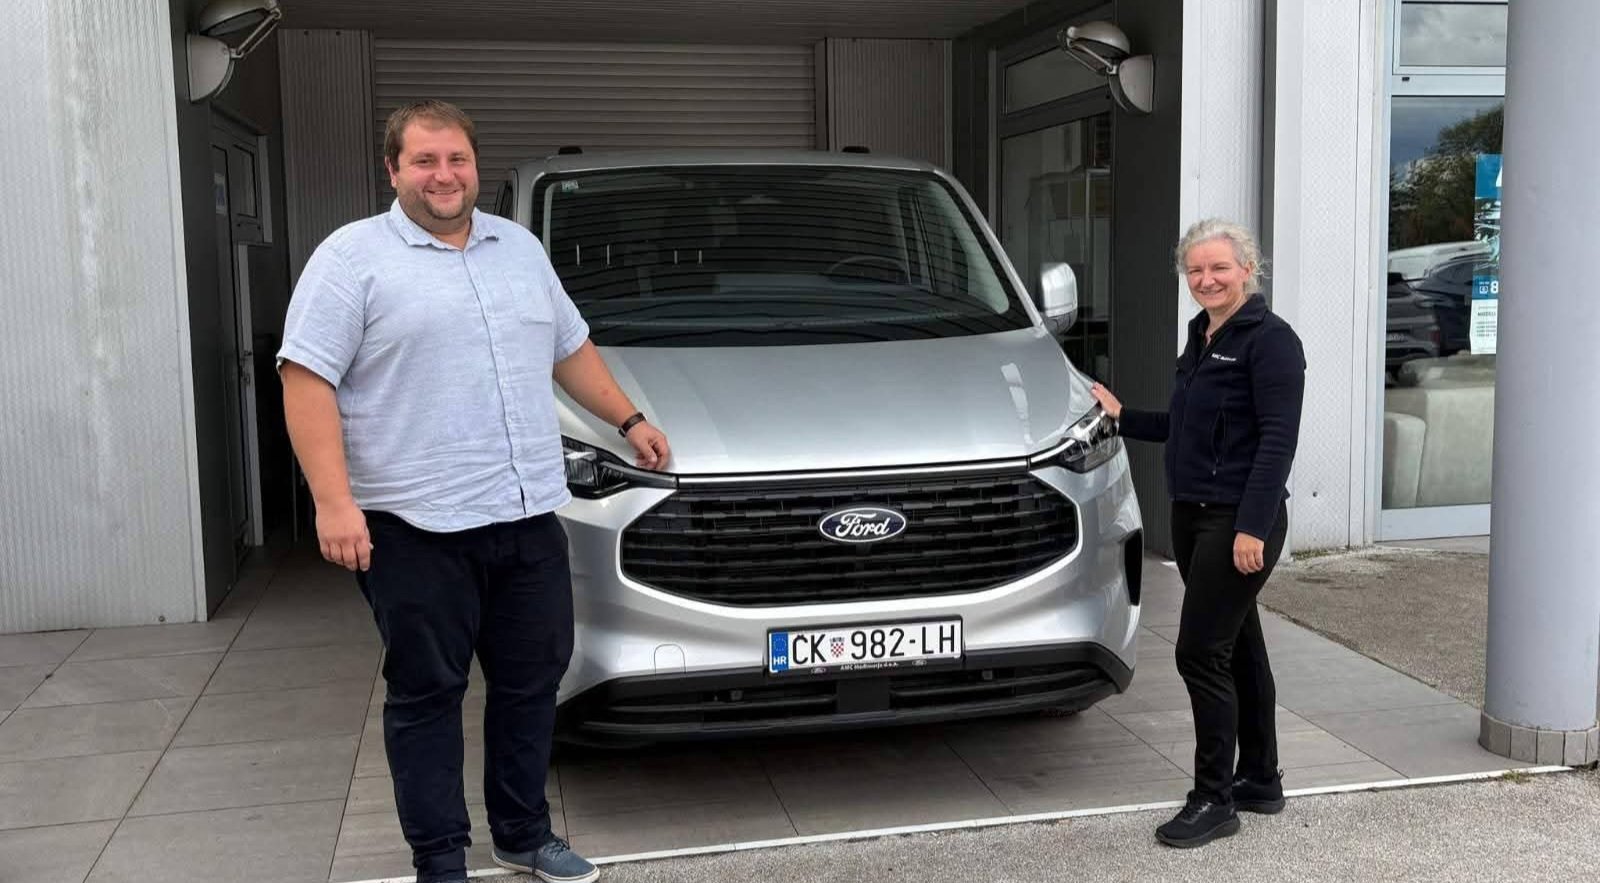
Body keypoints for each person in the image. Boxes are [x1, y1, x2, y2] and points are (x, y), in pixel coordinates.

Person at [278, 99, 668, 883]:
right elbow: (305, 376)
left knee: (532, 682)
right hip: (412, 524)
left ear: (474, 166)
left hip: (526, 514)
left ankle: (522, 832)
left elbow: (570, 347)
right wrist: (333, 501)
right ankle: (440, 859)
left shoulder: (518, 249)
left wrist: (628, 418)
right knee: (428, 692)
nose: (443, 174)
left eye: (455, 158)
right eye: (424, 160)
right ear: (392, 170)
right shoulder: (351, 258)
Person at [1090, 218, 1305, 848]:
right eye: (1196, 270)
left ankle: (1214, 799)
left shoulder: (1271, 341)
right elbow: (1187, 426)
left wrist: (1252, 526)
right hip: (1193, 515)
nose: (1206, 280)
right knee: (1238, 647)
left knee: (1199, 653)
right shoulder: (1203, 335)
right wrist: (1124, 417)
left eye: (1219, 268)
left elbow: (1277, 443)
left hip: (1236, 521)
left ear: (1248, 270)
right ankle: (1259, 778)